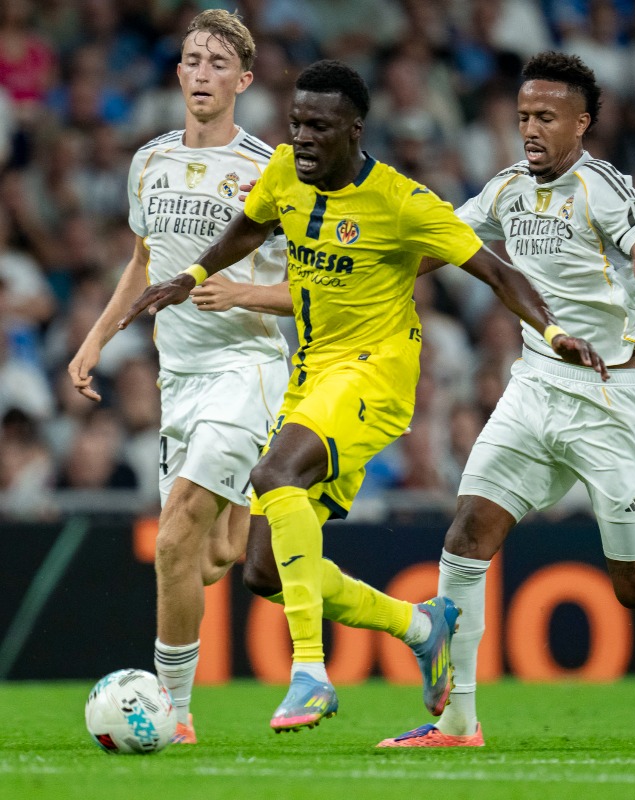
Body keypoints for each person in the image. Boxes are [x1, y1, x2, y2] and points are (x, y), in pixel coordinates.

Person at [119, 58, 608, 734]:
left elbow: (496, 272)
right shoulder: (285, 172)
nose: (303, 138)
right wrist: (194, 273)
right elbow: (252, 224)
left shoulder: (403, 202)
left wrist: (552, 331)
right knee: (266, 573)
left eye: (319, 127)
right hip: (313, 374)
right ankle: (421, 625)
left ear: (354, 130)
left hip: (376, 374)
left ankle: (310, 674)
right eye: (296, 124)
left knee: (273, 473)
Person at [376, 51, 635, 749]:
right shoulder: (505, 190)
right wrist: (370, 269)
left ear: (581, 124)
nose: (530, 128)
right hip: (534, 385)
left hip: (610, 400)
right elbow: (442, 245)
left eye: (547, 117)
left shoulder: (603, 188)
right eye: (524, 115)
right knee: (466, 534)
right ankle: (458, 722)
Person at [67, 10, 291, 745]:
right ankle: (256, 503)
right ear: (178, 72)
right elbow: (142, 261)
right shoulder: (149, 161)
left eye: (218, 63)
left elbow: (322, 285)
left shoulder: (271, 168)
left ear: (244, 80)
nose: (202, 73)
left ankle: (174, 712)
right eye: (193, 59)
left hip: (248, 368)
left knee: (171, 542)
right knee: (210, 558)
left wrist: (246, 293)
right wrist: (97, 338)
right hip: (181, 378)